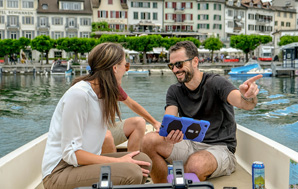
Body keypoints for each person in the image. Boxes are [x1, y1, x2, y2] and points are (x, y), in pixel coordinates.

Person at [141, 41, 262, 183]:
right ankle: (164, 186)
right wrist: (169, 135)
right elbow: (169, 118)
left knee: (195, 165)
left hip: (219, 148)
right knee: (148, 141)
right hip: (188, 144)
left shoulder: (216, 82)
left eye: (179, 64)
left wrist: (249, 96)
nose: (175, 70)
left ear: (195, 61)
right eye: (171, 65)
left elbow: (245, 104)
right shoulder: (174, 90)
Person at [42, 43, 152, 189]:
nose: (126, 71)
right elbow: (71, 154)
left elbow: (131, 103)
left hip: (81, 165)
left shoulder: (103, 94)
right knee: (131, 171)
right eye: (125, 66)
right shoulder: (80, 95)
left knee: (143, 161)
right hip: (60, 171)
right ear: (114, 68)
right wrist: (119, 162)